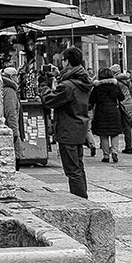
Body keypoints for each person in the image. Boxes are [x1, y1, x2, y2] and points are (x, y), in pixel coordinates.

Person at [39, 46, 92, 199]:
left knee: (72, 170)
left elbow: (50, 100)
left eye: (62, 60)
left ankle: (80, 201)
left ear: (67, 61)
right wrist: (58, 75)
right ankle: (83, 197)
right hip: (79, 127)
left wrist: (43, 86)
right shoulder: (83, 80)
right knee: (78, 167)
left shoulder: (68, 85)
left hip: (68, 129)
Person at [89, 68, 125, 162]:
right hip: (114, 111)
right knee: (115, 133)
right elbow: (122, 97)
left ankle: (106, 156)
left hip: (101, 112)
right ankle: (114, 152)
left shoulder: (97, 87)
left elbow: (91, 101)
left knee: (103, 134)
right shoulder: (115, 86)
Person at [111, 64, 132, 154]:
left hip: (121, 105)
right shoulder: (127, 80)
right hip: (129, 104)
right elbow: (131, 93)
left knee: (119, 126)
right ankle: (129, 146)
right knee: (127, 127)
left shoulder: (116, 82)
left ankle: (123, 147)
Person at [1, 67, 23, 170]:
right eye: (16, 76)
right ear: (12, 77)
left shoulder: (6, 89)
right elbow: (11, 113)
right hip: (11, 130)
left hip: (10, 128)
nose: (18, 78)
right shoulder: (9, 91)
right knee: (14, 159)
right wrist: (15, 132)